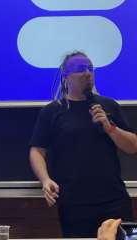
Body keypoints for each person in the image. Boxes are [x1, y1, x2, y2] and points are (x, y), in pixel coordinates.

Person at [29, 51, 137, 238]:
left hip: (113, 199)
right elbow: (37, 151)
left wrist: (110, 127)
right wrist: (45, 180)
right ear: (66, 76)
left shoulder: (108, 106)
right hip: (74, 203)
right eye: (80, 69)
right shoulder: (53, 111)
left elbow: (132, 146)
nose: (87, 73)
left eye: (90, 68)